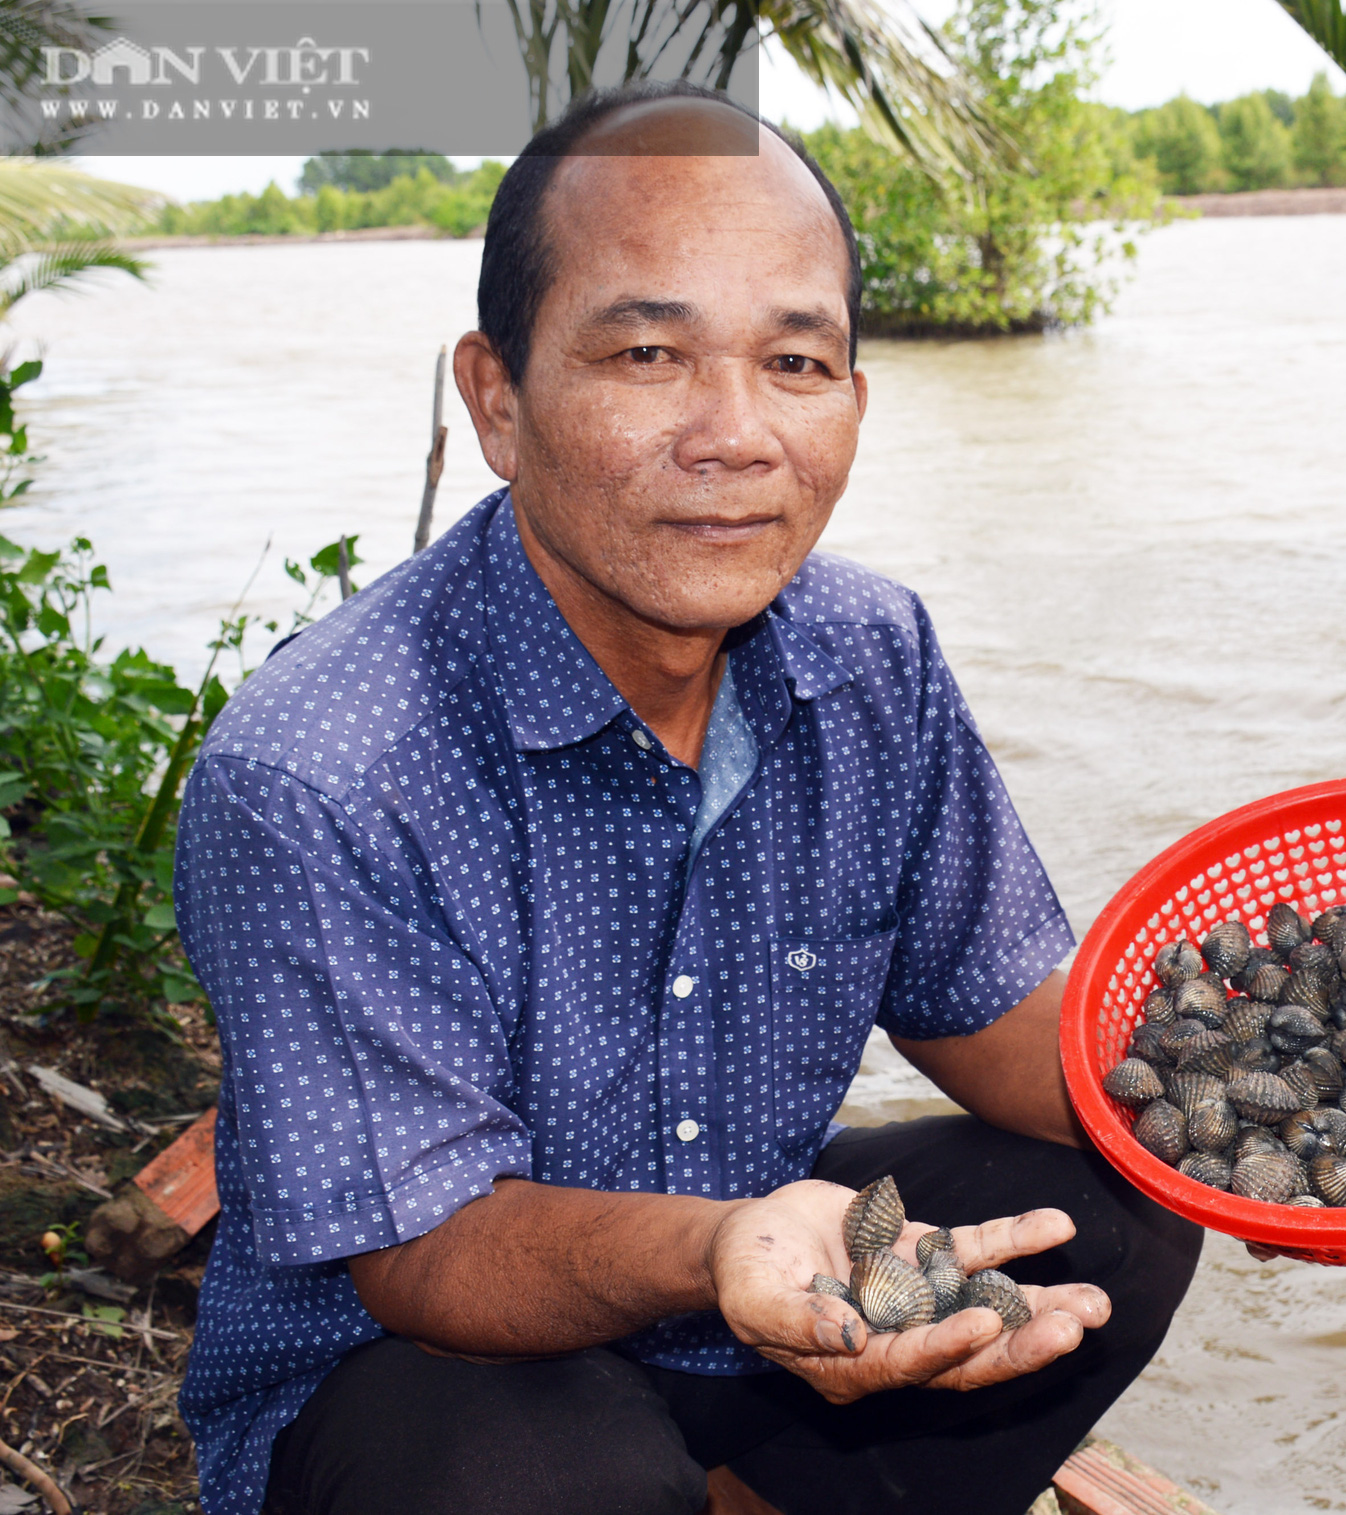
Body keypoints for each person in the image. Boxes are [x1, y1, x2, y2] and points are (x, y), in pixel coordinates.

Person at [172, 81, 1202, 1515]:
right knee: (518, 1470)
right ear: (498, 399)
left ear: (852, 396)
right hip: (424, 1359)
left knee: (1125, 1199)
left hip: (762, 1280)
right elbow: (430, 1256)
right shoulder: (319, 771)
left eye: (794, 362)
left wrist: (1246, 1107)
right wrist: (720, 1252)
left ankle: (748, 1497)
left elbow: (1002, 1019)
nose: (736, 434)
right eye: (651, 352)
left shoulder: (868, 656)